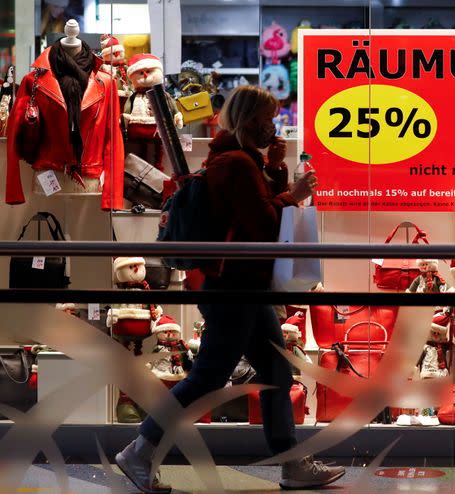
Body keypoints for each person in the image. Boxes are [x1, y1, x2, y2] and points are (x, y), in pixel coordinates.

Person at [114, 86, 344, 493]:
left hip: (242, 287)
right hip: (232, 287)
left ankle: (291, 464)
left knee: (273, 370)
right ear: (251, 121)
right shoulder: (236, 164)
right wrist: (296, 194)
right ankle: (140, 449)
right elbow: (262, 225)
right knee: (209, 376)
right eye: (268, 119)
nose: (273, 126)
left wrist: (275, 171)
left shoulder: (237, 161)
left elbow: (257, 209)